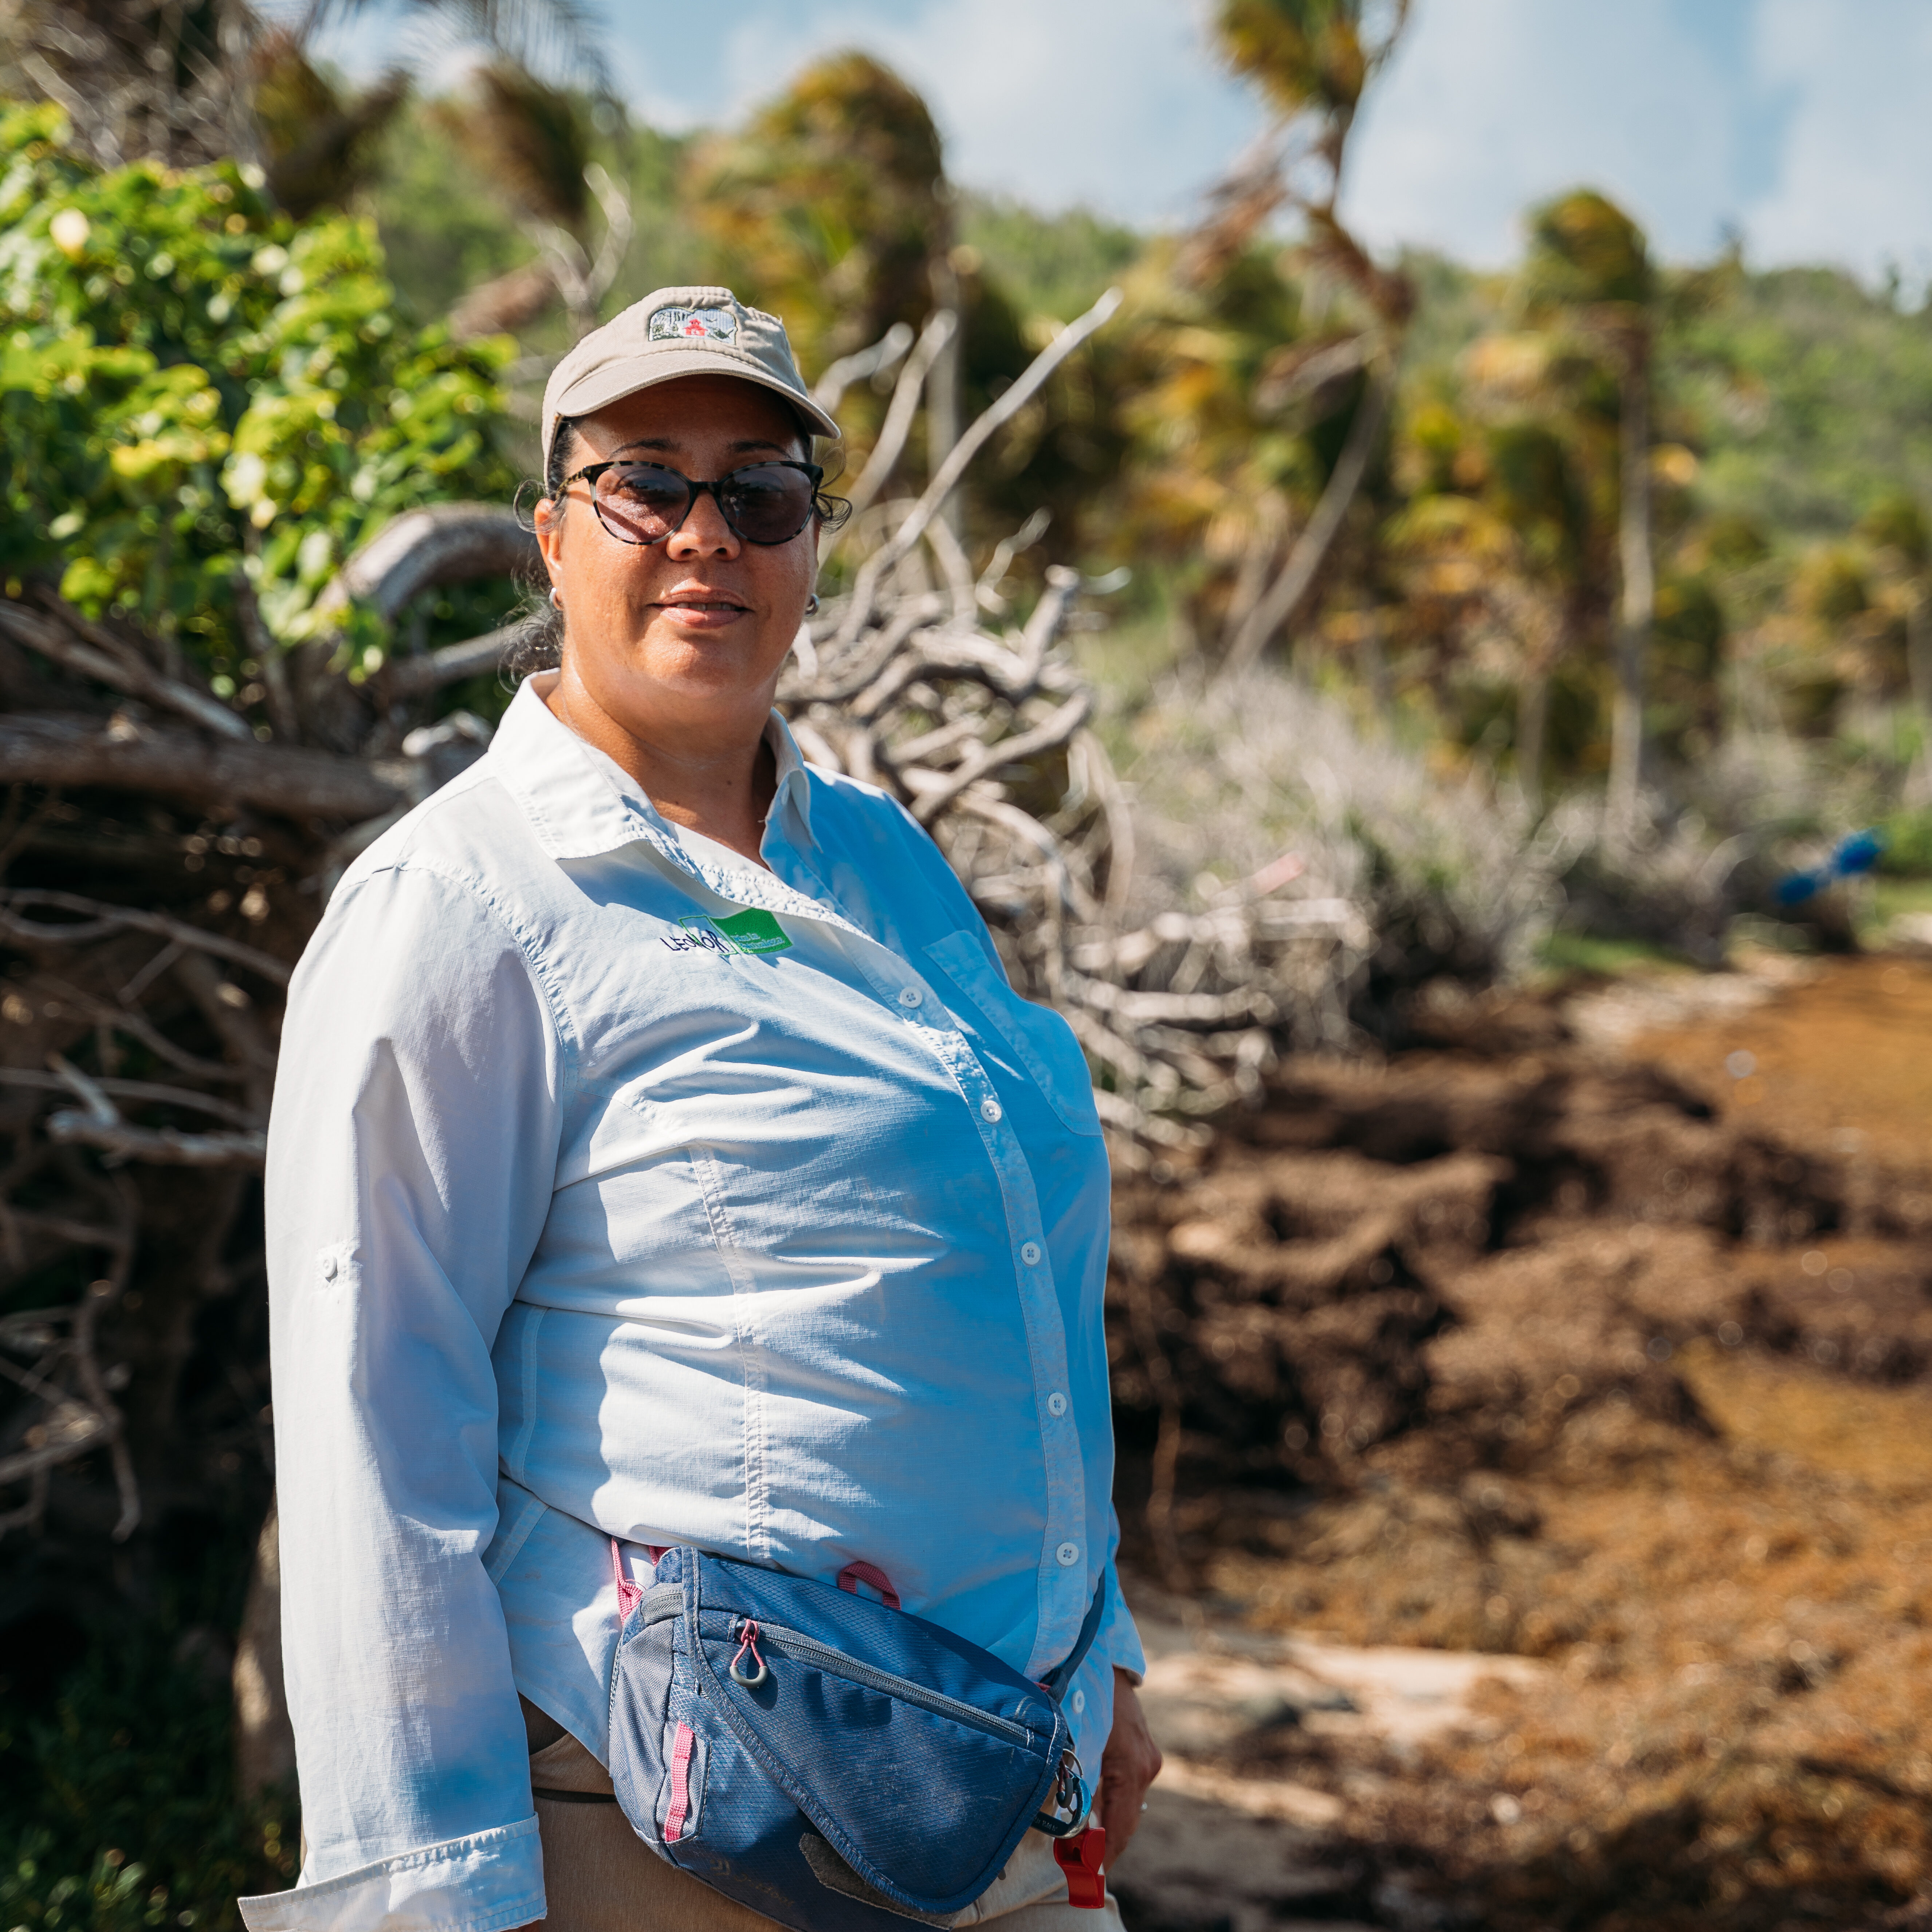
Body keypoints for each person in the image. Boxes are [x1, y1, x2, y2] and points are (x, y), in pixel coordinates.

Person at [240, 285, 1160, 1932]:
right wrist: (427, 1902)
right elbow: (376, 1431)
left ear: (812, 540)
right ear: (552, 535)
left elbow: (1012, 1272)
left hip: (1004, 1791)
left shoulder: (881, 854)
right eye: (645, 483)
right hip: (689, 1831)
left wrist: (1113, 1665)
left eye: (761, 493)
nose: (703, 536)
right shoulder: (458, 904)